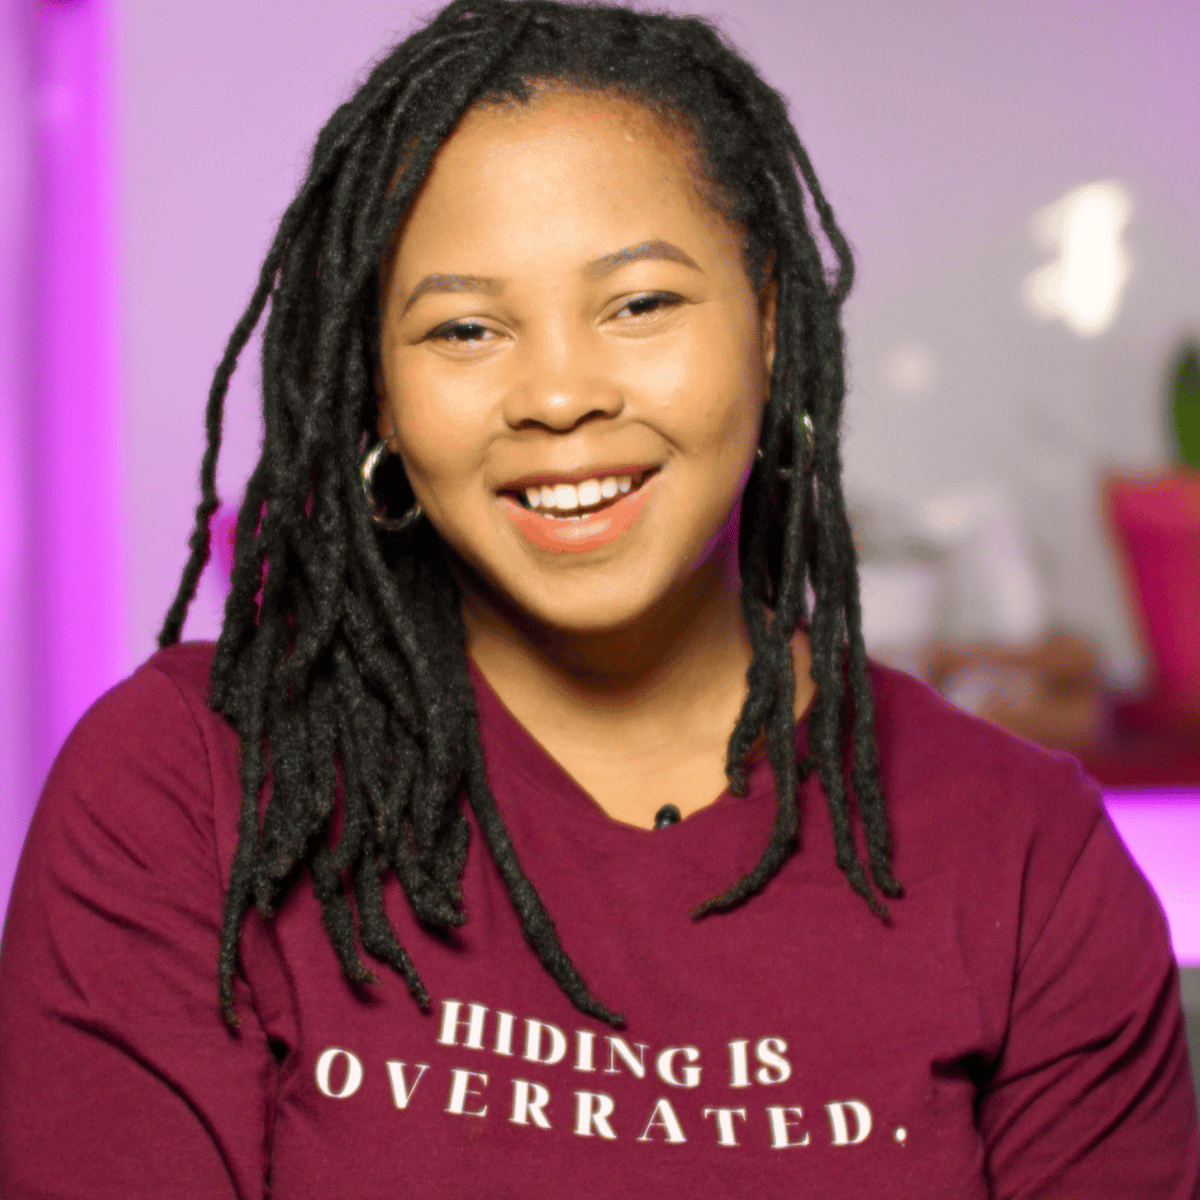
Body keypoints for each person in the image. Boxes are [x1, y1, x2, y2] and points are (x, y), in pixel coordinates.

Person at [1, 1, 1196, 1195]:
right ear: (379, 396)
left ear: (771, 323)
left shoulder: (1025, 854)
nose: (560, 395)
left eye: (640, 304)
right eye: (465, 328)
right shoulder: (186, 789)